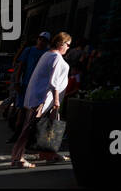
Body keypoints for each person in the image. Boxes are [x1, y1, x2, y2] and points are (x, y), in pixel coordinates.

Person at [10, 32, 72, 168]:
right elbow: (54, 81)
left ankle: (48, 154)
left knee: (48, 127)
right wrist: (56, 100)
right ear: (61, 44)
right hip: (43, 99)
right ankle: (17, 158)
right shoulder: (55, 57)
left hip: (41, 98)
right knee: (30, 128)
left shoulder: (48, 54)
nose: (68, 48)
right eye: (67, 45)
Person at [7, 32, 50, 144]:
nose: (41, 41)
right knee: (22, 110)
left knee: (35, 112)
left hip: (39, 87)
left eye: (44, 40)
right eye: (40, 39)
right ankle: (17, 134)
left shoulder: (47, 53)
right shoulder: (29, 50)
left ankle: (30, 137)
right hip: (26, 84)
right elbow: (21, 66)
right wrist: (17, 81)